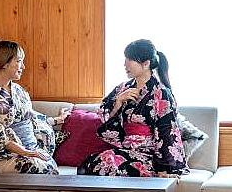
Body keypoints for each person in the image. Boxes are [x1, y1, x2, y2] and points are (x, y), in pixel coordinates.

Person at [78, 39, 188, 177]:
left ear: (146, 63)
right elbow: (104, 117)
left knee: (107, 163)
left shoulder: (161, 93)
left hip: (151, 157)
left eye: (130, 59)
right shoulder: (122, 88)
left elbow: (167, 132)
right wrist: (118, 102)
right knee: (88, 165)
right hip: (126, 151)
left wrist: (163, 169)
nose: (125, 64)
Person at [0, 38, 67, 174]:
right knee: (38, 167)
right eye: (19, 61)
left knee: (47, 164)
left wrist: (57, 120)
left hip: (29, 151)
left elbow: (31, 116)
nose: (23, 66)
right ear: (4, 63)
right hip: (6, 156)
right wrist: (25, 152)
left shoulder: (19, 90)